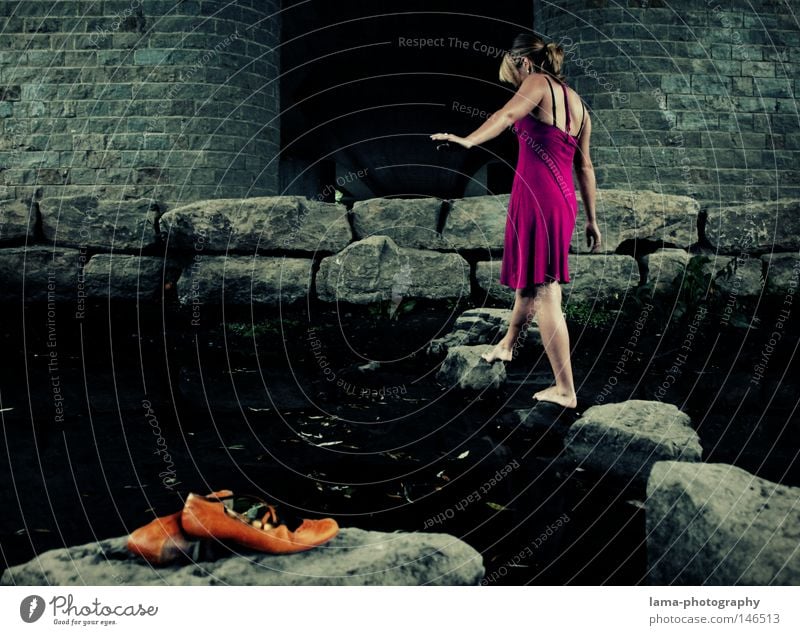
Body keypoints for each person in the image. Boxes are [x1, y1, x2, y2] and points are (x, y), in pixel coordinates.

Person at [430, 34, 601, 409]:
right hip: (561, 200)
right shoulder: (579, 105)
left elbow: (506, 115)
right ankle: (508, 345)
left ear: (523, 62)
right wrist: (591, 219)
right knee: (530, 281)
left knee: (545, 291)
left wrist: (468, 141)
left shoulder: (536, 82)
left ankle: (565, 390)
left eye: (513, 68)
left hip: (539, 197)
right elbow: (585, 166)